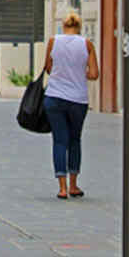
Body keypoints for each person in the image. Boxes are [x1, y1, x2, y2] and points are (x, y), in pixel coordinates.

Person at [42, 11, 99, 200]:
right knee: (75, 140)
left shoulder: (53, 41)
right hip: (78, 100)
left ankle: (62, 188)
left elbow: (48, 68)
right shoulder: (87, 44)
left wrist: (62, 72)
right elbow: (94, 74)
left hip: (54, 97)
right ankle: (74, 185)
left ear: (63, 26)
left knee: (59, 140)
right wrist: (77, 73)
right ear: (79, 27)